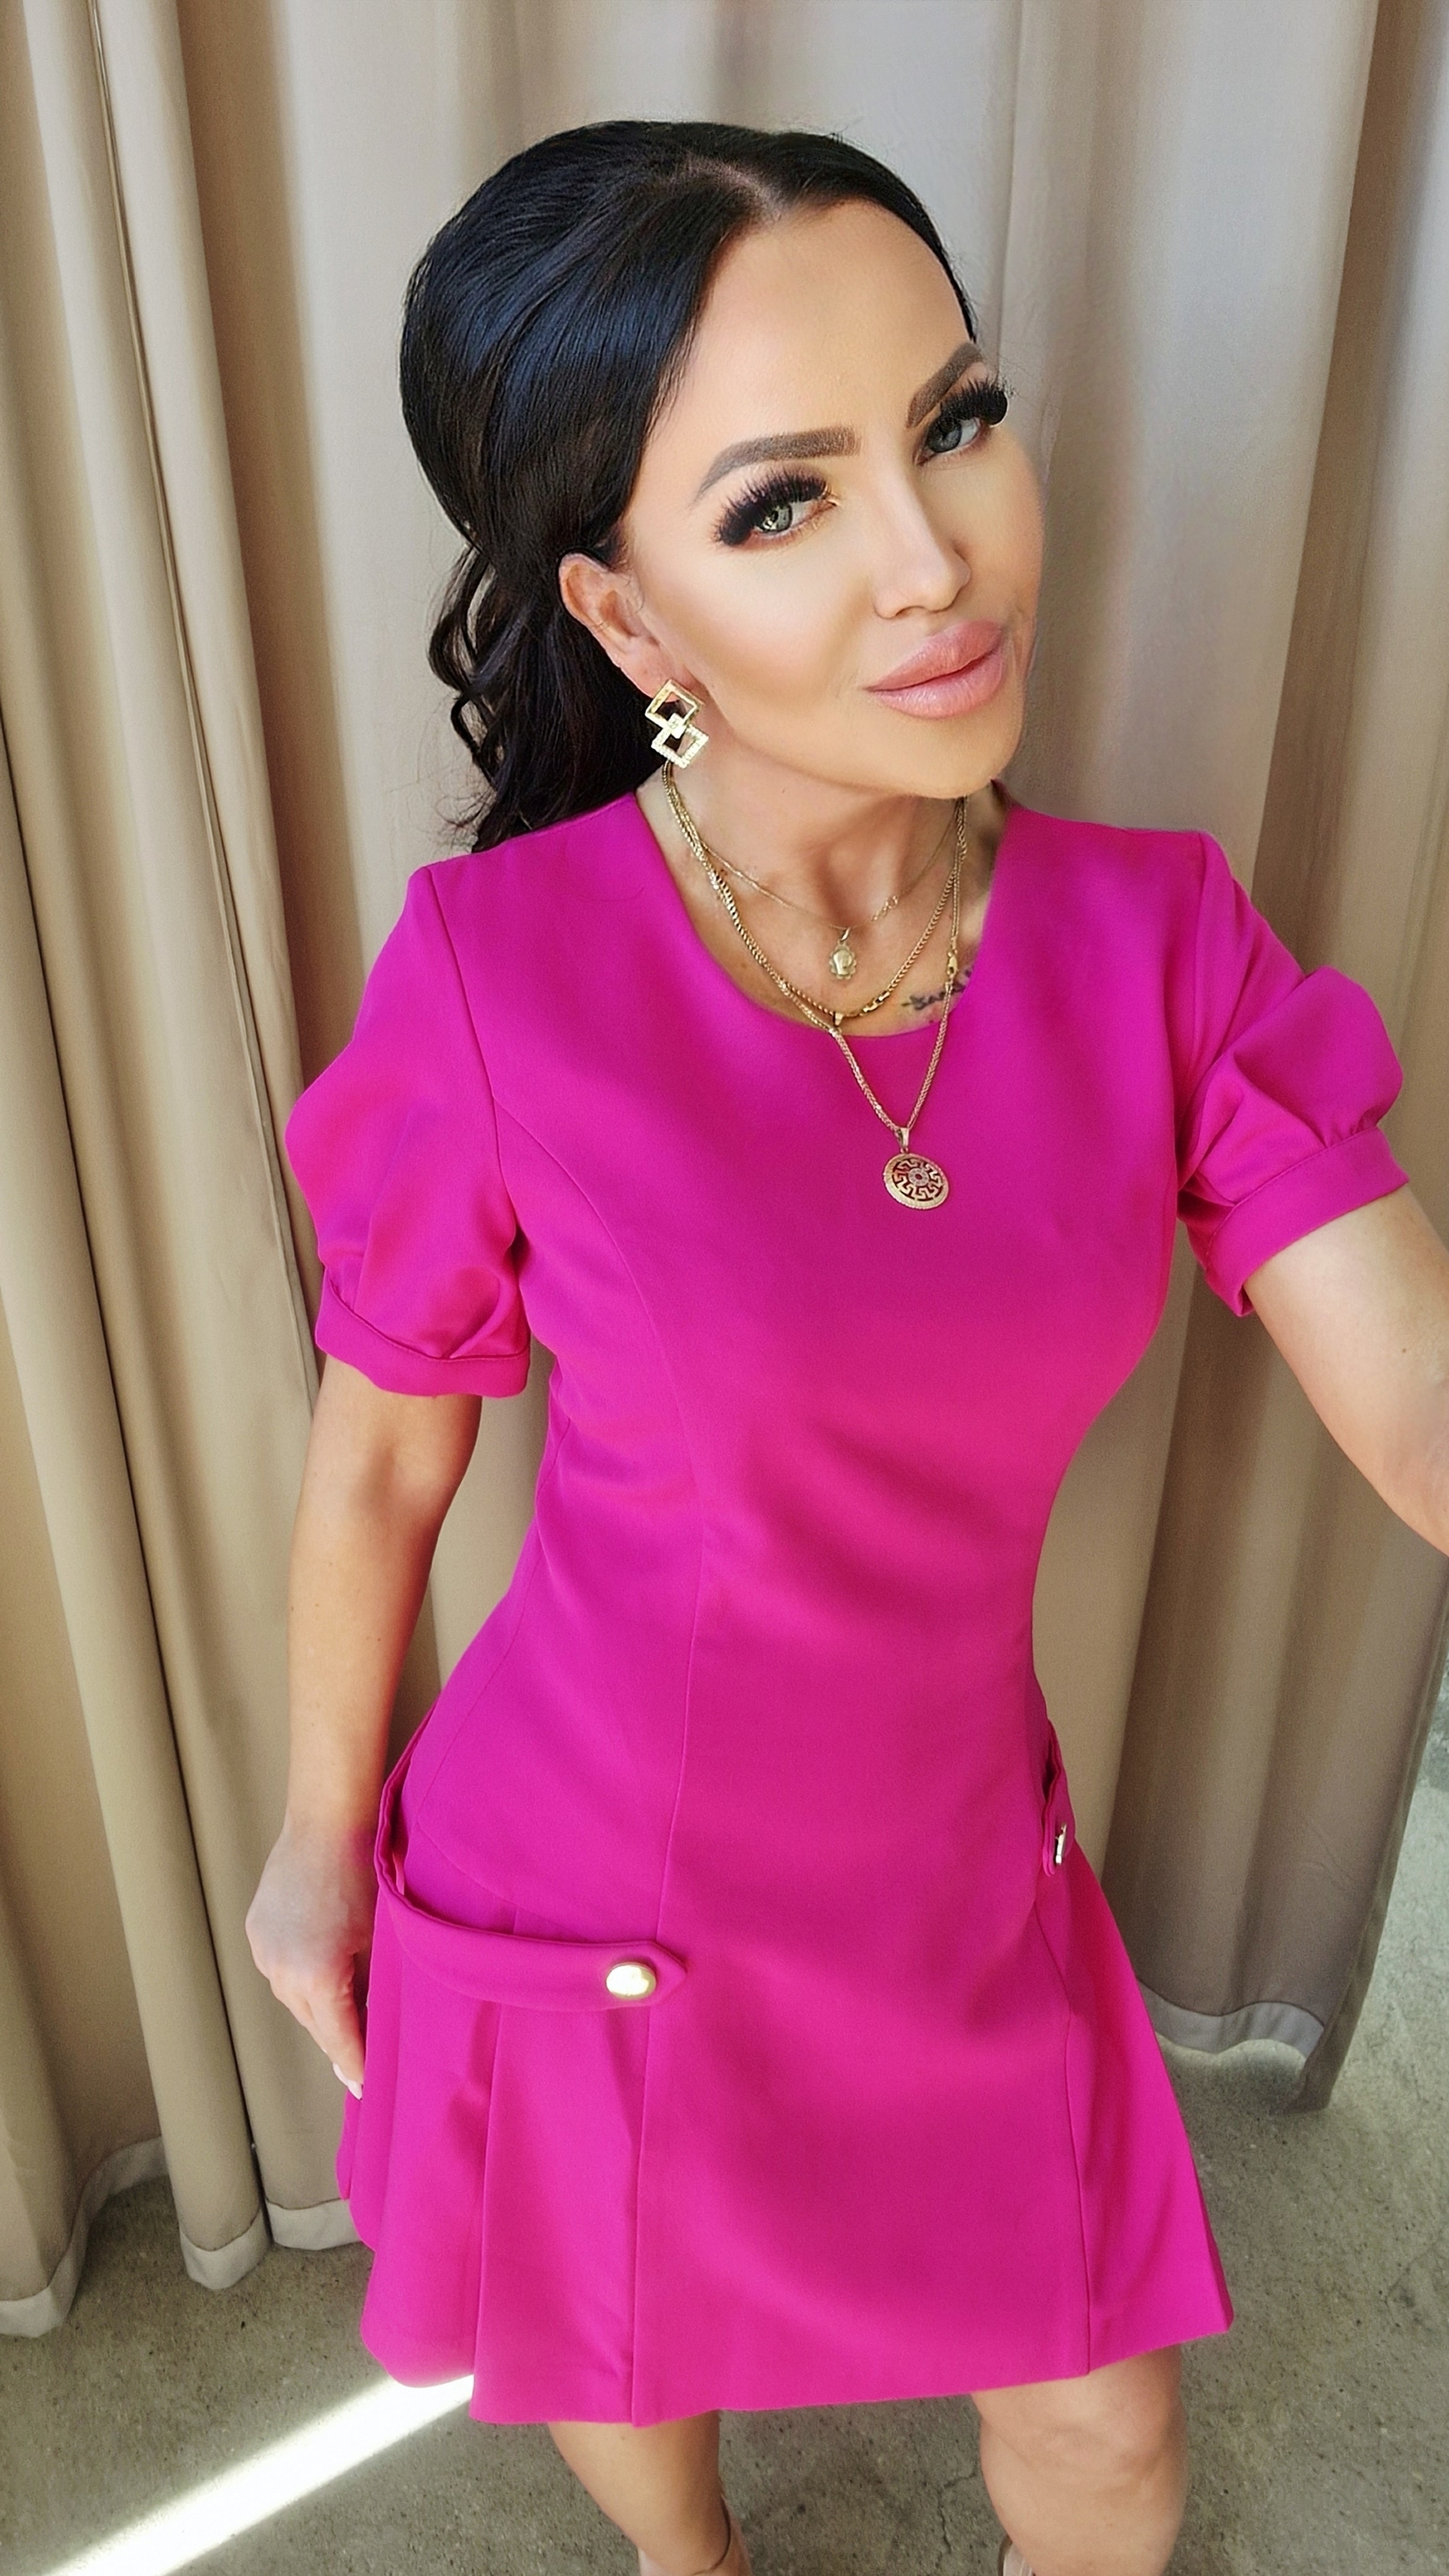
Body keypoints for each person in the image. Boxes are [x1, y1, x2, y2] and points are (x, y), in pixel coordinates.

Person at [245, 121, 1449, 2576]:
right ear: (626, 615)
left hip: (958, 1882)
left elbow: (1417, 1388)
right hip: (586, 1871)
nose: (938, 561)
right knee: (627, 2346)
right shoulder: (497, 982)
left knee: (1106, 2439)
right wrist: (307, 1839)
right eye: (785, 503)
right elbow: (381, 1465)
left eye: (957, 422)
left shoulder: (1159, 947)